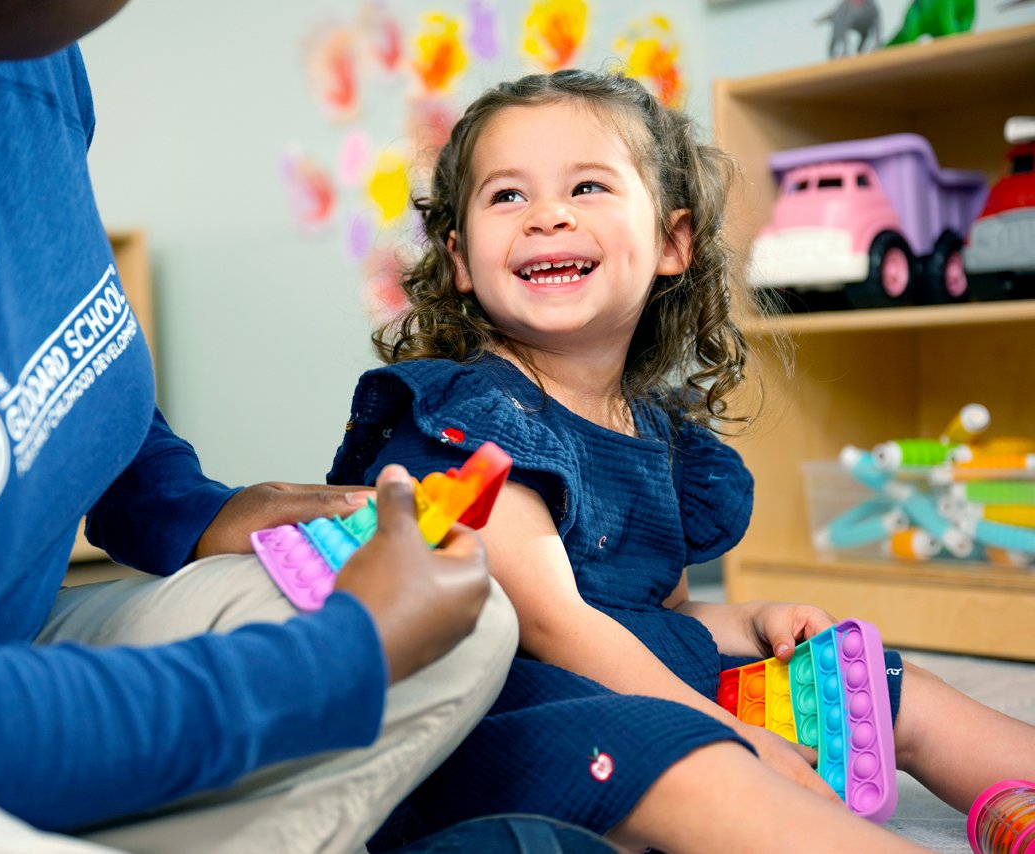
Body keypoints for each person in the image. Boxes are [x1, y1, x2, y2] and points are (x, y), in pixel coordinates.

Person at [0, 1, 523, 851]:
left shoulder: (23, 61)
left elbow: (46, 339)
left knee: (462, 625)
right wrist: (347, 655)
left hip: (8, 651)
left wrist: (183, 507)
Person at [329, 68, 1035, 852]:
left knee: (880, 686)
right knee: (714, 772)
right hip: (514, 721)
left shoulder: (654, 432)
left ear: (672, 242)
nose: (548, 216)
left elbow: (659, 616)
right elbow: (555, 626)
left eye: (589, 186)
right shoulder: (469, 418)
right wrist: (734, 739)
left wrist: (752, 619)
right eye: (507, 196)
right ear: (460, 260)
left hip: (641, 685)